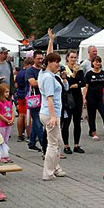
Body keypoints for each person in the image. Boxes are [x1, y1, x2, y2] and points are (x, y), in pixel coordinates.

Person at [39, 53, 68, 181]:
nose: (58, 65)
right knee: (53, 144)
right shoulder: (48, 78)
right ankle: (48, 173)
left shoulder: (46, 74)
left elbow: (49, 54)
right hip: (50, 113)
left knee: (59, 142)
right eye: (56, 62)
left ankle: (55, 167)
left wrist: (51, 40)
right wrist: (53, 116)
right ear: (49, 63)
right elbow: (49, 98)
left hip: (52, 113)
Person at [61, 50, 84, 155]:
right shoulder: (64, 70)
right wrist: (74, 76)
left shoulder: (80, 70)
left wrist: (77, 84)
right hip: (68, 99)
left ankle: (76, 145)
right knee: (66, 122)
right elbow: (67, 84)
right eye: (72, 57)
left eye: (75, 57)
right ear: (67, 58)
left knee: (77, 122)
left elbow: (83, 82)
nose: (74, 60)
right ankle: (66, 145)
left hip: (78, 98)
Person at [83, 56, 104, 142]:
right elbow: (85, 87)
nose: (97, 63)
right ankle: (93, 132)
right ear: (92, 63)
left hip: (101, 98)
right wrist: (84, 98)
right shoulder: (89, 74)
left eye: (99, 62)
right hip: (91, 98)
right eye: (96, 62)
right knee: (91, 115)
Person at [25, 51, 46, 152]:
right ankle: (44, 145)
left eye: (41, 58)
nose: (40, 60)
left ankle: (32, 142)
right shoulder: (30, 70)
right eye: (38, 59)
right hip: (33, 100)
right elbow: (33, 83)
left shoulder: (43, 70)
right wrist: (44, 81)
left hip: (43, 99)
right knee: (38, 123)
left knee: (35, 122)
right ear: (34, 59)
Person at [0, 84, 14, 162]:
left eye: (8, 92)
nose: (7, 94)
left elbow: (12, 111)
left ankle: (5, 155)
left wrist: (12, 119)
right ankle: (1, 155)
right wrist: (6, 120)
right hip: (2, 123)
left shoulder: (8, 101)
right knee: (1, 139)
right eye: (6, 92)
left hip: (8, 123)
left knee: (6, 139)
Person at [15, 58, 34, 142]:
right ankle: (29, 135)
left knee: (20, 114)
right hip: (27, 95)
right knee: (27, 115)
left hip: (19, 94)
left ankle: (20, 135)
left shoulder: (19, 73)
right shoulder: (28, 73)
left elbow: (16, 84)